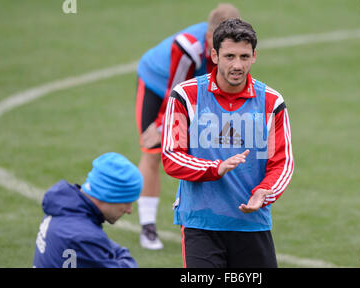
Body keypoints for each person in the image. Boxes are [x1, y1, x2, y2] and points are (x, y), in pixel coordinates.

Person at [161, 18, 294, 268]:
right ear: (214, 55)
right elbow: (171, 156)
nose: (237, 65)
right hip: (201, 225)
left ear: (254, 56)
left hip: (252, 224)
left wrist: (264, 193)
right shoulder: (186, 95)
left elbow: (282, 163)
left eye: (244, 56)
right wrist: (215, 168)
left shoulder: (271, 102)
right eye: (229, 56)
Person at [135, 3, 240, 250]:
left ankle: (210, 220)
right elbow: (176, 91)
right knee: (154, 150)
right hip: (159, 84)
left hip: (194, 88)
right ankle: (148, 226)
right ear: (208, 36)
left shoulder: (237, 46)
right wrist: (162, 126)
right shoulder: (188, 47)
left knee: (211, 149)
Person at [32, 152, 143, 268]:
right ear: (108, 195)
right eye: (127, 202)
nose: (130, 210)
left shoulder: (64, 210)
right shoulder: (83, 237)